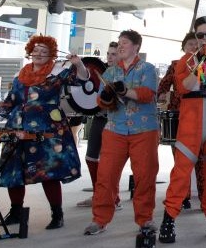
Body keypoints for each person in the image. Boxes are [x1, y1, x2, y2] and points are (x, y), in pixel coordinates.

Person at [0, 35, 89, 230]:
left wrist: (79, 64)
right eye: (36, 50)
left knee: (48, 172)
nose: (39, 54)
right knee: (13, 170)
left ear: (51, 55)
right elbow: (9, 102)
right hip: (17, 129)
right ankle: (15, 212)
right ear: (30, 51)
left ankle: (57, 214)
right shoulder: (20, 76)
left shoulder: (58, 73)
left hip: (47, 129)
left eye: (44, 51)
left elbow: (82, 80)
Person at [159, 17, 206, 242]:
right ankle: (169, 219)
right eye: (200, 35)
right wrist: (201, 62)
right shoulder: (185, 61)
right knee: (180, 174)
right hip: (191, 122)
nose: (204, 39)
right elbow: (184, 87)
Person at [84, 30, 160, 240]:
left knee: (145, 176)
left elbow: (146, 94)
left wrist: (125, 91)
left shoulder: (148, 69)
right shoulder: (109, 73)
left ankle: (145, 219)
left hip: (144, 130)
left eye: (124, 43)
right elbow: (101, 103)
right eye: (118, 43)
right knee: (105, 176)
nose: (120, 46)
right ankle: (99, 219)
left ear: (136, 46)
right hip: (115, 129)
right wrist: (107, 96)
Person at [76, 42, 123, 209]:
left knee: (110, 162)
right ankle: (98, 194)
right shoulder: (106, 72)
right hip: (99, 118)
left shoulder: (124, 74)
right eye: (108, 53)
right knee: (91, 157)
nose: (109, 57)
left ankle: (113, 198)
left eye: (114, 54)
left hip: (116, 121)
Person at [155, 35, 199, 213]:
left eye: (197, 45)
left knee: (202, 160)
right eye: (190, 44)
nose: (194, 47)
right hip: (179, 115)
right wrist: (163, 96)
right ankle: (184, 196)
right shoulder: (175, 65)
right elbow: (162, 87)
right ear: (183, 47)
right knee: (181, 159)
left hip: (200, 115)